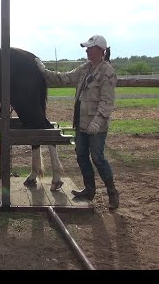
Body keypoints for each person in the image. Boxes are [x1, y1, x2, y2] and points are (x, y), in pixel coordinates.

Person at [35, 35, 119, 210]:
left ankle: (112, 193)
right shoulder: (85, 68)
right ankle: (89, 189)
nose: (87, 50)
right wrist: (44, 71)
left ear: (100, 50)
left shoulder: (107, 72)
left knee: (98, 158)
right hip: (81, 122)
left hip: (96, 125)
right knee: (81, 156)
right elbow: (64, 78)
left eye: (89, 48)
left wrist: (98, 122)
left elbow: (107, 102)